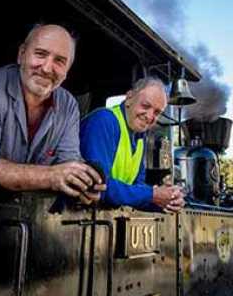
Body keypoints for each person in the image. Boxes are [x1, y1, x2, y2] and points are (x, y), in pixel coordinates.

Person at [0, 24, 105, 204]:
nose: (47, 68)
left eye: (59, 61)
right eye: (40, 54)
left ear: (67, 71)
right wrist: (51, 176)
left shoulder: (69, 105)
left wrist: (84, 184)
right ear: (21, 55)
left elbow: (68, 159)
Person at [79, 77, 185, 212]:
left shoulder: (140, 138)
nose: (150, 116)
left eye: (157, 112)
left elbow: (137, 190)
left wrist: (165, 202)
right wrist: (152, 194)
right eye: (145, 106)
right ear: (129, 98)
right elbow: (99, 185)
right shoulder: (104, 120)